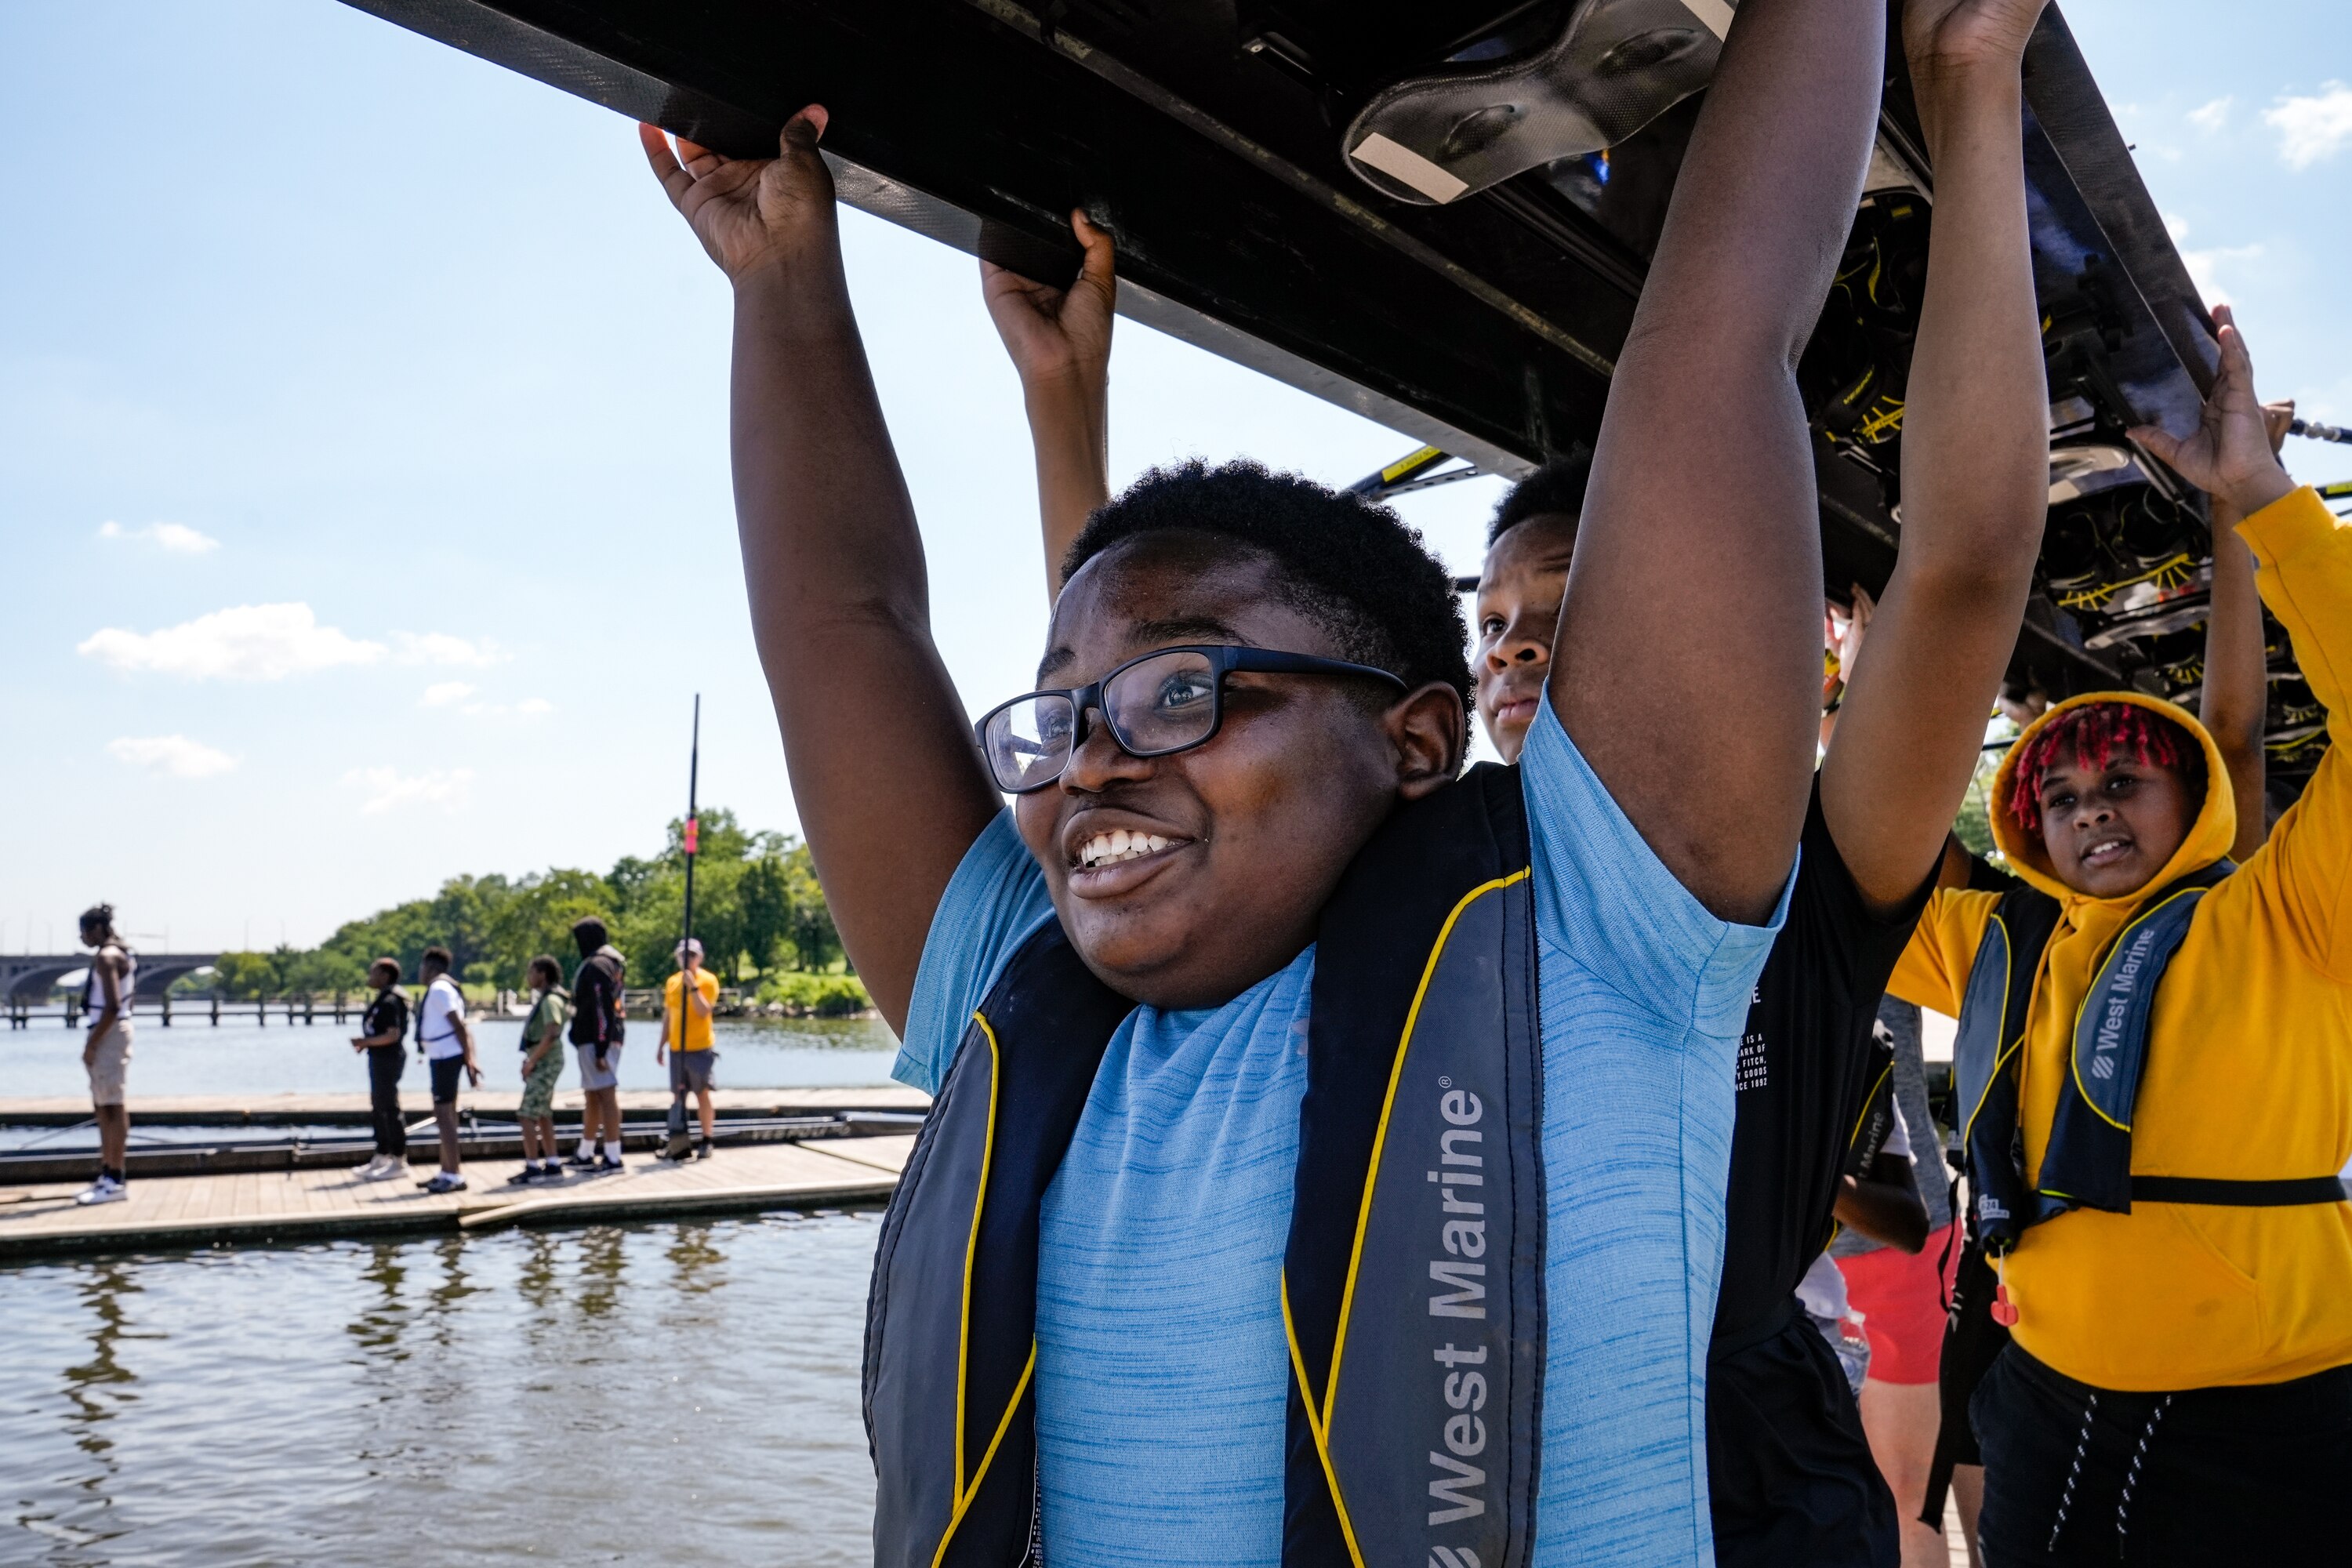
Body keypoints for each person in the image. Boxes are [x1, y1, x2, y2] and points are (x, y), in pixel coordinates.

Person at [642, 0, 1886, 1558]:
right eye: (1064, 711)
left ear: (1416, 740)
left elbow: (1719, 330)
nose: (1090, 752)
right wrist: (781, 277)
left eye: (1181, 688)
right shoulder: (1010, 980)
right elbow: (842, 624)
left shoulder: (1601, 941)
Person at [982, 5, 2045, 1563]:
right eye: (1496, 629)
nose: (1524, 659)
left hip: (1739, 1447)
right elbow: (1139, 749)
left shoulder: (1796, 879)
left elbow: (1962, 567)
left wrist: (1970, 81)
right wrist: (1064, 404)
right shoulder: (1421, 896)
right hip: (1416, 1439)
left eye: (1566, 623)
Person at [1887, 307, 2352, 1564]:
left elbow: (2248, 733)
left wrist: (2257, 496)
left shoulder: (2286, 908)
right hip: (2039, 1393)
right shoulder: (1996, 944)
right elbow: (1855, 843)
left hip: (2266, 1415)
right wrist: (1875, 650)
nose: (2090, 807)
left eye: (2124, 782)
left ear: (2193, 798)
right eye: (2063, 793)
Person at [73, 904, 136, 1206]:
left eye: (84, 931)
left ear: (97, 929)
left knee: (110, 1106)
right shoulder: (123, 952)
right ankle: (109, 1173)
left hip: (107, 1032)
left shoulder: (107, 956)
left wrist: (92, 1044)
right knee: (106, 1105)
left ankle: (114, 1178)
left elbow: (112, 1006)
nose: (82, 938)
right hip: (114, 1031)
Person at [412, 945, 480, 1194]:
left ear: (430, 968)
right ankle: (445, 1171)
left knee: (445, 1117)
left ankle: (454, 1176)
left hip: (446, 1057)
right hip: (441, 1056)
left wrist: (469, 1059)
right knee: (445, 1115)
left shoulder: (440, 988)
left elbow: (460, 1026)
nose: (419, 972)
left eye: (421, 967)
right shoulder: (442, 987)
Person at [565, 916, 627, 1174]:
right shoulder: (608, 963)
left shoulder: (598, 966)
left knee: (606, 1095)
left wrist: (601, 1050)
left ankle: (613, 1157)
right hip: (595, 1038)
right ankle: (586, 1152)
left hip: (599, 1039)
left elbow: (604, 1010)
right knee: (592, 1095)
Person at [656, 937, 720, 1161]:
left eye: (691, 955)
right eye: (683, 955)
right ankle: (678, 1141)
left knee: (702, 1093)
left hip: (700, 1047)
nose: (687, 959)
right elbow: (668, 1016)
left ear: (699, 957)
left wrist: (693, 986)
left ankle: (706, 1139)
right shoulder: (672, 982)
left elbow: (704, 1011)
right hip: (677, 1048)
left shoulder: (708, 980)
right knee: (678, 1097)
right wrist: (661, 1045)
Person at [350, 956, 412, 1181]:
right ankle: (382, 1154)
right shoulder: (383, 998)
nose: (370, 976)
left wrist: (366, 1042)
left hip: (389, 1059)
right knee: (378, 1105)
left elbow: (392, 1035)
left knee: (389, 1106)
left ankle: (399, 1160)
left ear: (385, 976)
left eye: (373, 972)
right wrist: (367, 1043)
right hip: (378, 1058)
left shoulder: (391, 1000)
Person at [510, 955, 570, 1184]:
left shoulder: (550, 1001)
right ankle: (553, 1163)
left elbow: (552, 1031)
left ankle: (533, 1166)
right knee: (543, 1113)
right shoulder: (547, 998)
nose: (529, 977)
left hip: (546, 1061)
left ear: (542, 974)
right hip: (543, 1059)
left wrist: (532, 1061)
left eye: (531, 972)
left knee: (526, 1114)